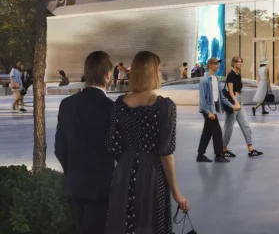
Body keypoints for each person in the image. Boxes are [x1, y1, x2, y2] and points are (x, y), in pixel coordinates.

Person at [106, 50, 189, 233]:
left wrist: (128, 160)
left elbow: (113, 144)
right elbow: (166, 153)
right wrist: (176, 192)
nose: (160, 72)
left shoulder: (119, 103)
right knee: (151, 224)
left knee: (125, 224)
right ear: (152, 72)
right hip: (152, 174)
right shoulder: (164, 106)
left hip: (124, 173)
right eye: (158, 69)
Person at [55, 51, 115, 234]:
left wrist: (72, 172)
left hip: (75, 185)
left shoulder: (67, 104)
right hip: (102, 188)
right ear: (107, 75)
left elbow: (59, 148)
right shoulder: (111, 108)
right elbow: (118, 149)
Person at [222, 56, 262, 159]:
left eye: (241, 62)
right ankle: (223, 149)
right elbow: (230, 91)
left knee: (245, 125)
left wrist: (239, 101)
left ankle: (251, 149)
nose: (240, 63)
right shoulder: (231, 75)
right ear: (233, 63)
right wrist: (236, 102)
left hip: (240, 100)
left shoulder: (238, 75)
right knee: (229, 127)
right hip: (234, 101)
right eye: (238, 62)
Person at [196, 57, 229, 164]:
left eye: (218, 63)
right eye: (215, 63)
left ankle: (200, 155)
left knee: (207, 132)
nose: (217, 65)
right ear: (209, 65)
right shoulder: (204, 79)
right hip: (208, 109)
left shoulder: (216, 79)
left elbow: (221, 96)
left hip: (213, 108)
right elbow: (202, 98)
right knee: (217, 131)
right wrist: (208, 112)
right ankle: (219, 155)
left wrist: (232, 105)